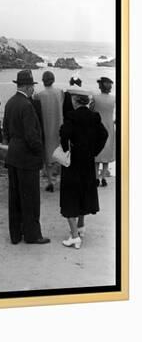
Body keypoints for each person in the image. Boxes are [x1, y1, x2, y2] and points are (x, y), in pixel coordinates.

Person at [3, 70, 50, 245]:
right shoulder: (27, 106)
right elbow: (32, 136)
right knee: (30, 198)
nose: (32, 90)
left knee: (14, 197)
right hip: (27, 158)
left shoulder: (10, 103)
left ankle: (15, 234)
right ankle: (32, 235)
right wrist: (40, 152)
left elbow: (6, 130)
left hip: (13, 155)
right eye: (32, 87)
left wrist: (14, 144)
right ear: (28, 87)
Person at [59, 88, 108, 249]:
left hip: (73, 161)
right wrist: (93, 151)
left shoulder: (71, 116)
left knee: (70, 196)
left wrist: (66, 149)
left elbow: (64, 134)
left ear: (75, 100)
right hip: (88, 161)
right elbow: (104, 134)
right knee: (83, 193)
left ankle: (74, 237)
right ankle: (80, 227)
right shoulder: (94, 117)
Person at [33, 71, 64, 192]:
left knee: (47, 156)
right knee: (60, 155)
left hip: (46, 127)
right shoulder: (60, 92)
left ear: (43, 81)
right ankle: (61, 181)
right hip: (58, 126)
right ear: (53, 80)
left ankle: (50, 181)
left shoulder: (39, 95)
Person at [93, 77, 115, 187]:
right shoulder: (113, 99)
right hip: (109, 127)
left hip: (97, 128)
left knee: (97, 154)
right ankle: (104, 178)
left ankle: (96, 177)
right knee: (106, 155)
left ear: (100, 86)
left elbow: (92, 111)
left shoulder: (95, 98)